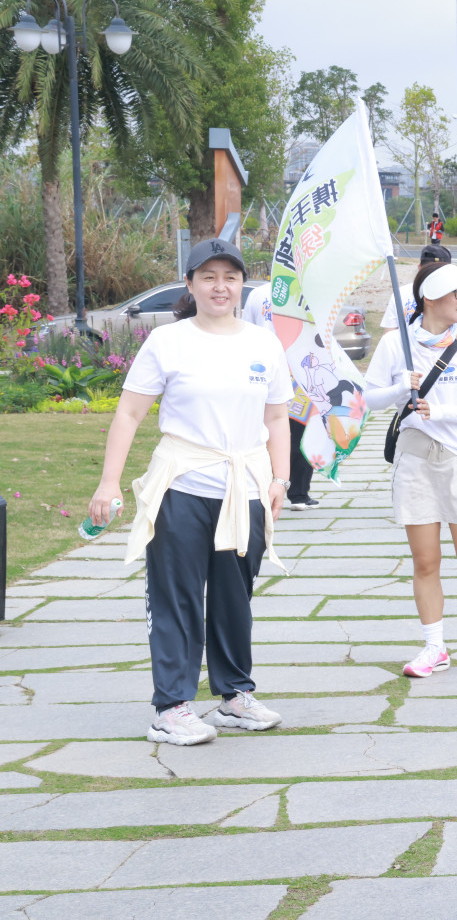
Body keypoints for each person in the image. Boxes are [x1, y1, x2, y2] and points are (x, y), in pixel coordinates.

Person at [88, 239, 293, 746]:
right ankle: (171, 707)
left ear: (242, 284)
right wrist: (109, 482)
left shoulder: (263, 344)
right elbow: (129, 413)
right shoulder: (168, 342)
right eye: (209, 277)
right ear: (190, 284)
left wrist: (279, 479)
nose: (220, 287)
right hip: (181, 486)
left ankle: (234, 696)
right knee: (177, 598)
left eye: (230, 277)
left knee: (235, 597)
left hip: (244, 487)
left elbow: (276, 418)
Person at [365, 262, 457, 680]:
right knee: (425, 561)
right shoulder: (396, 344)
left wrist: (437, 411)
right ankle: (434, 647)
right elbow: (370, 398)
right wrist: (401, 387)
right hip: (415, 459)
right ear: (430, 298)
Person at [240, 286, 317, 511]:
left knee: (269, 429)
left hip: (266, 368)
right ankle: (297, 493)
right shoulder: (303, 289)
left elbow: (246, 329)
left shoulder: (257, 294)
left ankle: (269, 486)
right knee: (300, 430)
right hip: (296, 369)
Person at [380, 244, 457, 334]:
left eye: (440, 272)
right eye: (430, 271)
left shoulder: (453, 299)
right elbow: (389, 332)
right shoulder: (401, 294)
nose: (435, 277)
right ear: (420, 268)